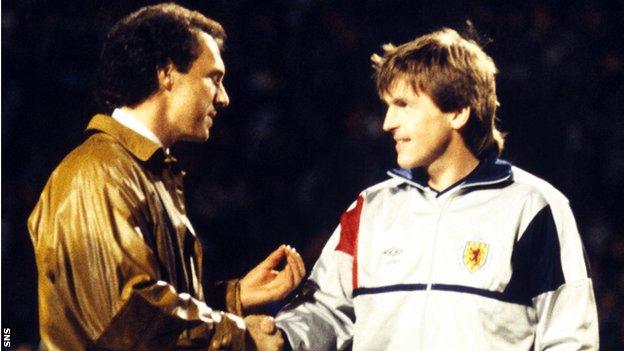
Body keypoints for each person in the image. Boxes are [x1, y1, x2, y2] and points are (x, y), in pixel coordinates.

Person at [275, 27, 599, 350]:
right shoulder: (369, 208)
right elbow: (326, 312)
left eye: (404, 104)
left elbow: (570, 339)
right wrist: (278, 336)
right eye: (388, 105)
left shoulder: (534, 207)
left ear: (457, 111)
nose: (388, 122)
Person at [27, 3, 304, 350]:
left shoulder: (142, 171)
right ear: (166, 73)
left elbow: (151, 305)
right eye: (213, 79)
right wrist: (240, 334)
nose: (224, 98)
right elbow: (127, 320)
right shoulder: (98, 173)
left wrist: (234, 297)